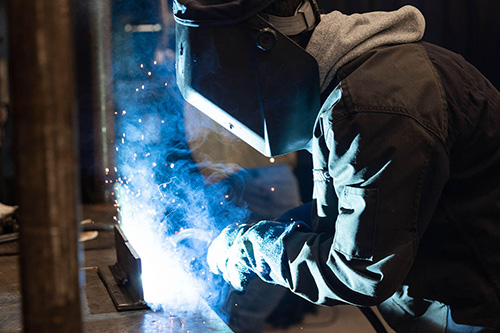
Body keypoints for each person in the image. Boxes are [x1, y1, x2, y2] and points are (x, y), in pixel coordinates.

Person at [173, 0, 500, 331]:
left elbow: (359, 271)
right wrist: (262, 232)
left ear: (265, 46)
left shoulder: (372, 108)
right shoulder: (354, 82)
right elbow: (358, 216)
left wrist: (253, 251)